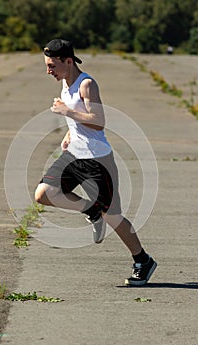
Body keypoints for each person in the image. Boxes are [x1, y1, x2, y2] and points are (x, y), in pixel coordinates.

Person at [35, 39, 157, 286]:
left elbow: (98, 121)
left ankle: (143, 260)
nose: (48, 71)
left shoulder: (86, 84)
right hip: (74, 156)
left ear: (68, 61)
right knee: (44, 194)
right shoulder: (66, 85)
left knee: (112, 215)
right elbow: (80, 121)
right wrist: (70, 134)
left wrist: (66, 112)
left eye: (52, 65)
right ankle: (91, 210)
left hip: (98, 161)